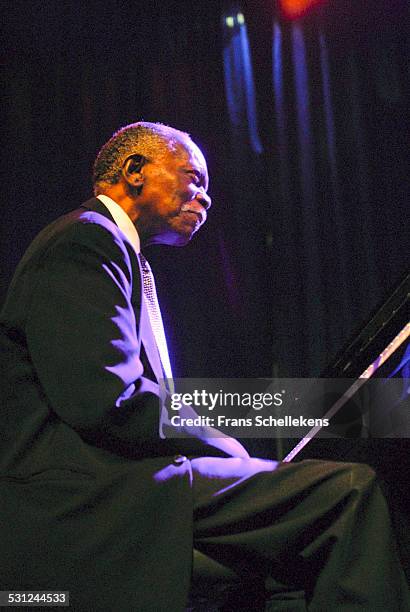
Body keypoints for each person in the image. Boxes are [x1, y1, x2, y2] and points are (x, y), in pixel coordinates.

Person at [0, 122, 408, 611]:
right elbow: (106, 398)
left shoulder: (112, 251)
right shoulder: (87, 240)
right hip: (83, 499)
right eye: (194, 179)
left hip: (119, 487)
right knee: (348, 492)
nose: (207, 200)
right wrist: (222, 444)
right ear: (135, 171)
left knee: (288, 563)